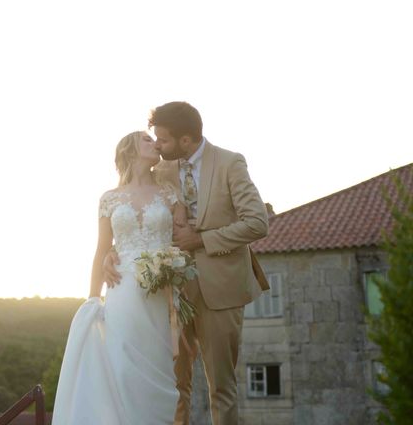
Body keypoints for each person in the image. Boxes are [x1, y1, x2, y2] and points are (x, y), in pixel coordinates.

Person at [104, 102, 270, 425]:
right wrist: (114, 249)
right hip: (169, 293)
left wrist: (203, 240)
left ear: (185, 139)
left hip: (221, 291)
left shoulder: (229, 163)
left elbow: (257, 223)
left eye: (162, 140)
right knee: (174, 385)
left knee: (221, 387)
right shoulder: (162, 169)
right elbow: (137, 209)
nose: (158, 145)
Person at [52, 131, 186, 425]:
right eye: (147, 140)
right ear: (130, 151)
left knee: (159, 369)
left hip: (160, 293)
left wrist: (172, 264)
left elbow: (183, 238)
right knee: (123, 368)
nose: (156, 143)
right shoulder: (109, 199)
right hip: (122, 290)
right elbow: (101, 249)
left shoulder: (169, 193)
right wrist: (91, 298)